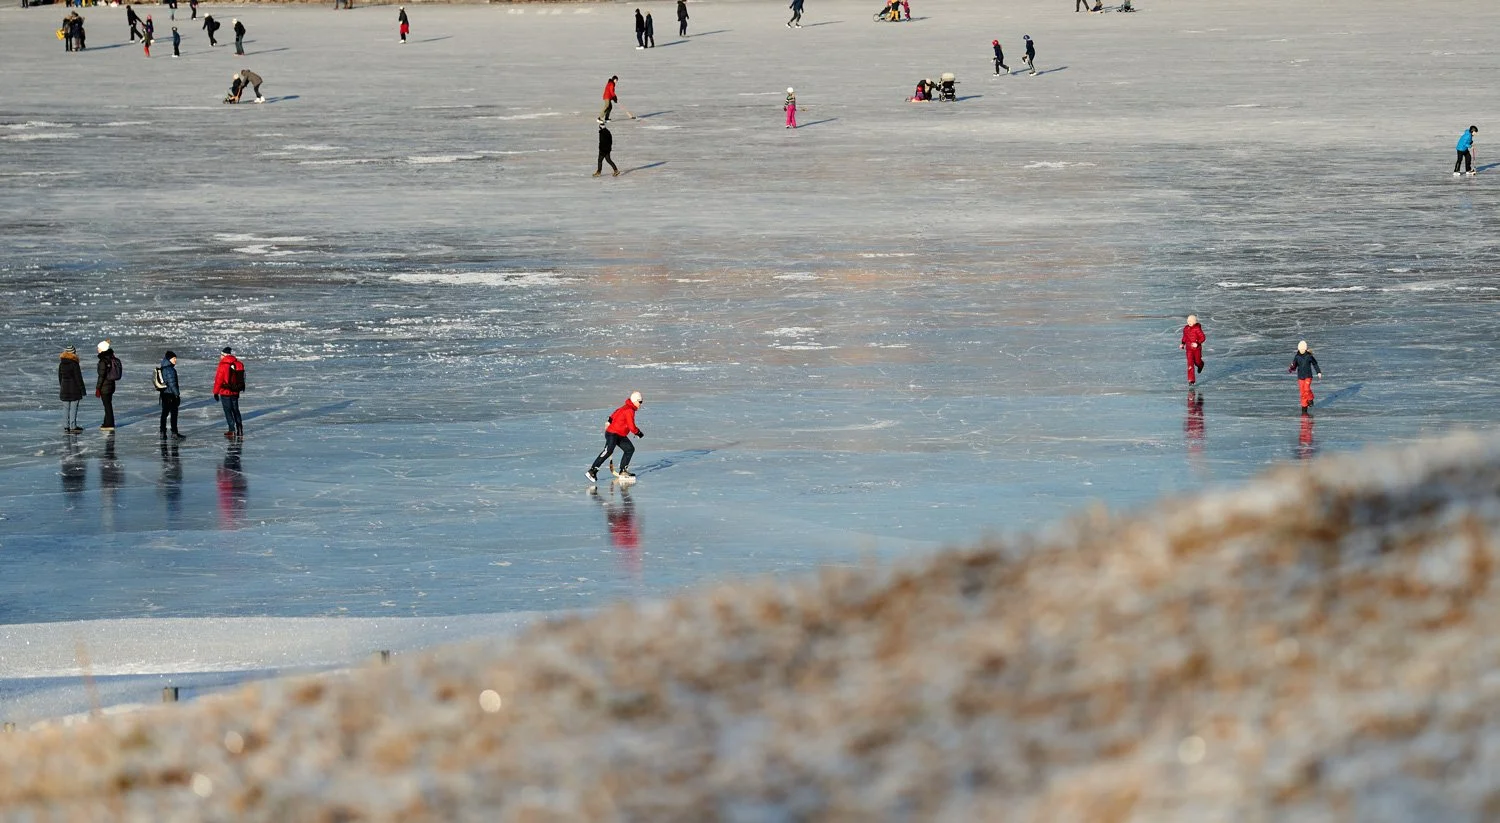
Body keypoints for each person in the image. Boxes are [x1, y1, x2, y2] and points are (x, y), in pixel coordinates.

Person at [586, 391, 645, 482]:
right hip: (612, 434)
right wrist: (638, 433)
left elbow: (615, 413)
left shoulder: (626, 407)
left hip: (620, 434)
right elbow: (631, 425)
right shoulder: (629, 410)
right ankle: (592, 471)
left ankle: (623, 471)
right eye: (640, 401)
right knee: (608, 451)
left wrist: (609, 420)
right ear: (634, 401)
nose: (641, 404)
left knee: (629, 449)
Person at [214, 346, 245, 437]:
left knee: (228, 411)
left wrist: (215, 392)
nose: (220, 357)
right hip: (235, 391)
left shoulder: (223, 365)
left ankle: (232, 430)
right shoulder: (239, 364)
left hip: (225, 392)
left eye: (221, 355)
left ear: (224, 355)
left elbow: (218, 380)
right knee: (236, 410)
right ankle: (240, 428)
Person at [157, 351, 186, 438]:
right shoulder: (170, 369)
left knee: (164, 413)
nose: (175, 360)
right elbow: (172, 383)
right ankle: (174, 432)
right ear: (170, 359)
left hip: (164, 394)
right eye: (174, 358)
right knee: (173, 414)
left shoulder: (163, 367)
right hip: (170, 394)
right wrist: (177, 394)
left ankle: (163, 432)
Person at [1288, 340, 1321, 413]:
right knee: (1302, 393)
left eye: (1303, 349)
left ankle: (1310, 399)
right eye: (1300, 349)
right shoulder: (1297, 356)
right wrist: (1291, 368)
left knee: (1306, 389)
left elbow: (1315, 364)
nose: (1302, 350)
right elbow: (1294, 366)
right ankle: (1304, 409)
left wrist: (1318, 372)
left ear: (1305, 349)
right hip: (1300, 377)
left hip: (1308, 376)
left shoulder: (1309, 356)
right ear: (1299, 349)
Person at [95, 340, 122, 431]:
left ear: (102, 349)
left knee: (107, 406)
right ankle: (107, 422)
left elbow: (101, 376)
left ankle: (109, 423)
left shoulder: (103, 361)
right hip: (111, 385)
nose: (97, 349)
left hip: (105, 387)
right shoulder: (111, 357)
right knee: (108, 404)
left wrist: (98, 388)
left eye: (98, 348)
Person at [58, 345, 86, 433]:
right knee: (73, 408)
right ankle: (73, 426)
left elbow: (60, 377)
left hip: (64, 389)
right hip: (74, 390)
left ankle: (66, 426)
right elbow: (78, 378)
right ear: (73, 353)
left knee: (65, 408)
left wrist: (62, 386)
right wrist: (82, 390)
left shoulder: (61, 364)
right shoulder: (74, 364)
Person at [1180, 314, 1205, 386]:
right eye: (1188, 321)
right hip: (1189, 349)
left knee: (1197, 361)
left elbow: (1203, 337)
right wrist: (1182, 343)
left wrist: (1197, 343)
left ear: (1194, 322)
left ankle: (1201, 365)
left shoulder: (1197, 328)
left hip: (1197, 349)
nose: (1189, 322)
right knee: (1190, 364)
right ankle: (1191, 380)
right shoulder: (1186, 328)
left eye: (1191, 321)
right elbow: (1185, 337)